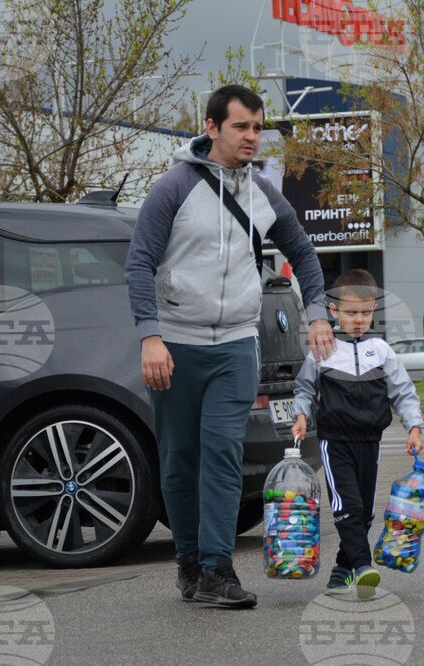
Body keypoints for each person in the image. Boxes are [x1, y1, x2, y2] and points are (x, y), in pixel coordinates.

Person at [124, 84, 335, 608]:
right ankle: (189, 566)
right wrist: (150, 335)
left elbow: (305, 256)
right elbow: (139, 263)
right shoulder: (173, 187)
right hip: (177, 344)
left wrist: (317, 316)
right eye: (241, 126)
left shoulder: (263, 192)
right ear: (212, 127)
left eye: (258, 127)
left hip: (237, 344)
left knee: (221, 452)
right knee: (179, 458)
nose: (252, 137)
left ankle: (218, 569)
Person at [290, 269, 424, 598]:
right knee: (346, 504)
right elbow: (304, 388)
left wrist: (414, 427)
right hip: (335, 441)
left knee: (364, 511)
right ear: (333, 311)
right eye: (351, 313)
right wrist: (301, 415)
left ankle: (341, 569)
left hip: (371, 441)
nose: (359, 319)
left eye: (366, 313)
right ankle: (364, 566)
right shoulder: (323, 350)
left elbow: (403, 392)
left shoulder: (381, 351)